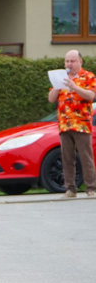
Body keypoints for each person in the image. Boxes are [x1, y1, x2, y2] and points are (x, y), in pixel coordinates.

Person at [48, 49, 96, 198]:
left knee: (85, 156)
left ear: (80, 62)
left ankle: (91, 188)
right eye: (67, 61)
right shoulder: (61, 77)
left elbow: (91, 95)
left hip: (81, 123)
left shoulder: (88, 76)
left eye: (72, 61)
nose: (69, 64)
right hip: (64, 123)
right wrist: (56, 87)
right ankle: (70, 188)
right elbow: (51, 99)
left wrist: (74, 86)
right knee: (67, 157)